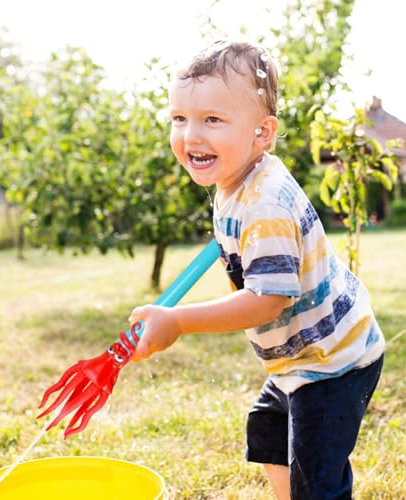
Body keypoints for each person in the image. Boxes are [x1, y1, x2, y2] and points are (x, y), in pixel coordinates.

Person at [129, 41, 384, 500]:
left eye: (212, 119)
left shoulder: (265, 202)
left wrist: (179, 321)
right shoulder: (238, 180)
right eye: (179, 119)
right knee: (268, 431)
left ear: (263, 133)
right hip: (300, 359)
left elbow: (268, 298)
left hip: (332, 361)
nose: (191, 136)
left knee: (316, 477)